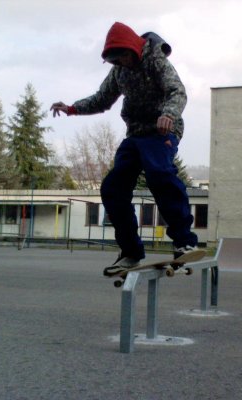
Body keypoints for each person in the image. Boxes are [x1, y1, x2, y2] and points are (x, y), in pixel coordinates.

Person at [51, 22, 198, 275]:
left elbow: (178, 90)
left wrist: (169, 114)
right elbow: (102, 99)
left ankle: (184, 241)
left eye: (124, 59)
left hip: (163, 131)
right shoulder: (119, 71)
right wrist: (72, 108)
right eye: (116, 62)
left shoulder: (155, 60)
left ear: (133, 50)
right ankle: (130, 251)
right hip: (136, 134)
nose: (122, 65)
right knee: (113, 188)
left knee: (159, 174)